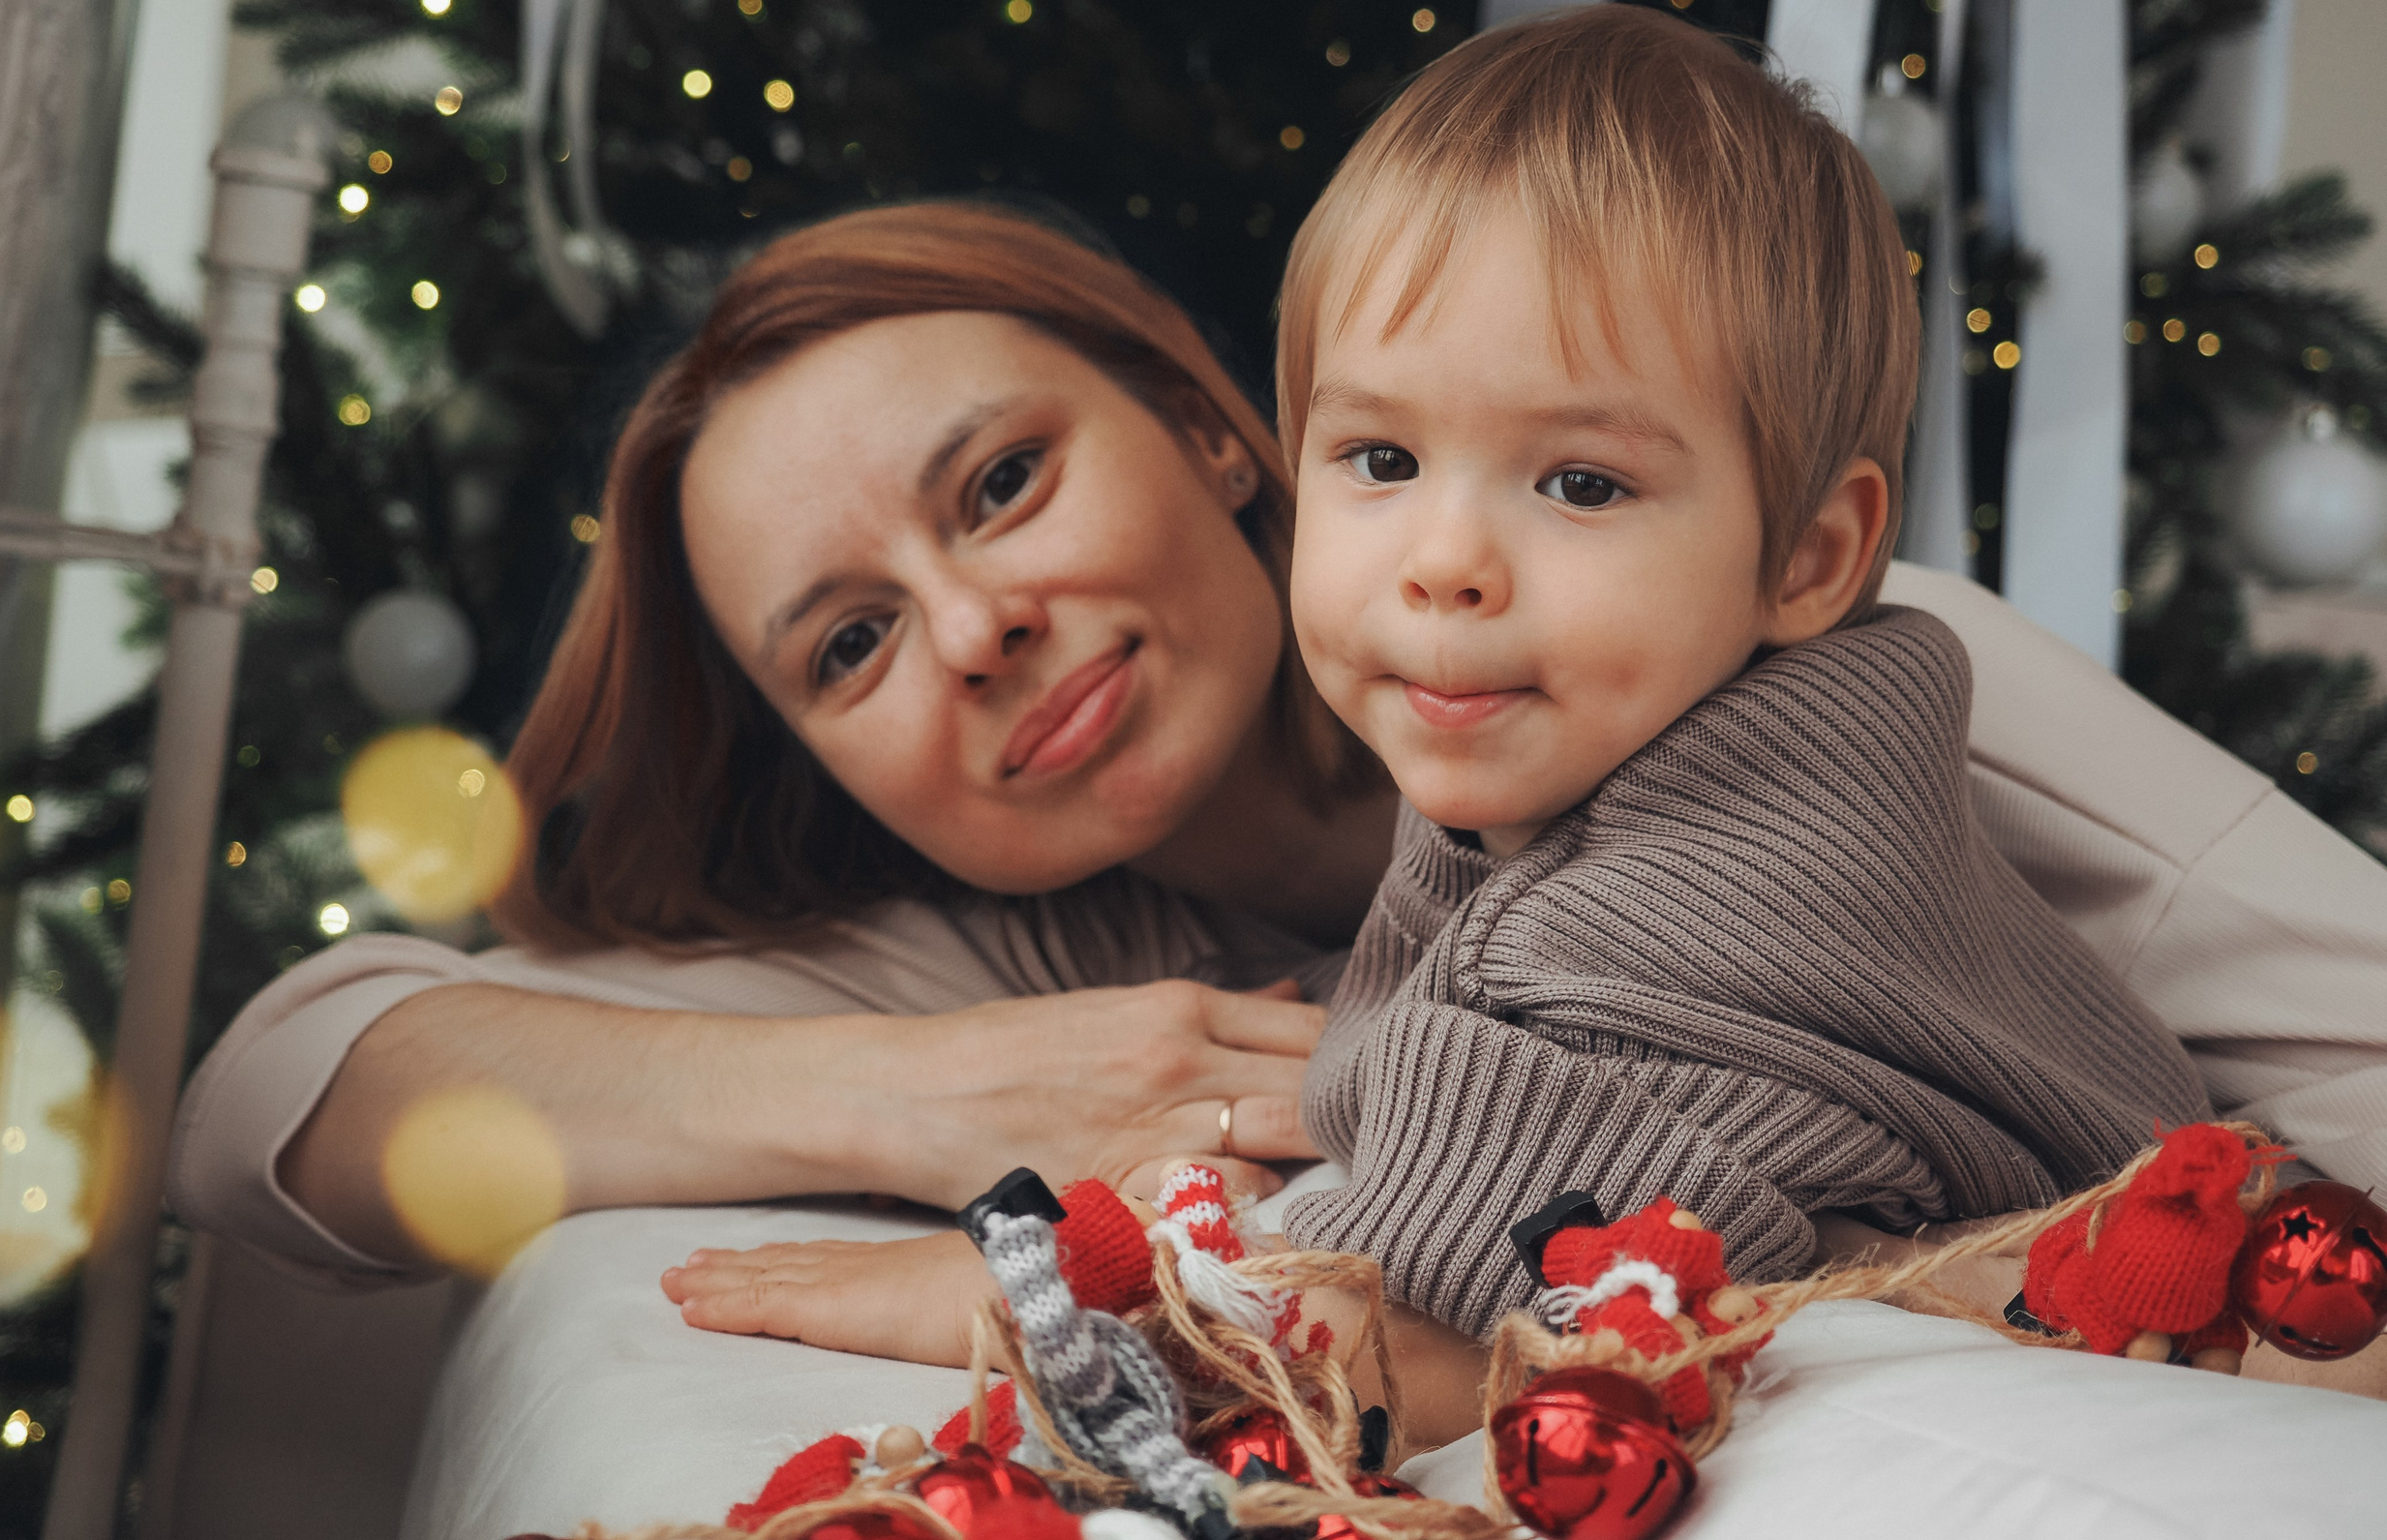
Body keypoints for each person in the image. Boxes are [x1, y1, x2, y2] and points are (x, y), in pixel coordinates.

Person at [174, 196, 2387, 1440]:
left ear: (1211, 425)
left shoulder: (1814, 684)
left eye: (1002, 483)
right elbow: (283, 1088)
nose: (969, 633)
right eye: (846, 647)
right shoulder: (1004, 956)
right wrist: (942, 1089)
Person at [1274, 5, 2204, 1348]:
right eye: (1379, 458)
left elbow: (1403, 1330)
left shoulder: (1697, 903)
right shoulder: (1615, 761)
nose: (1444, 563)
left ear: (1810, 559)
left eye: (1581, 483)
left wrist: (936, 1295)